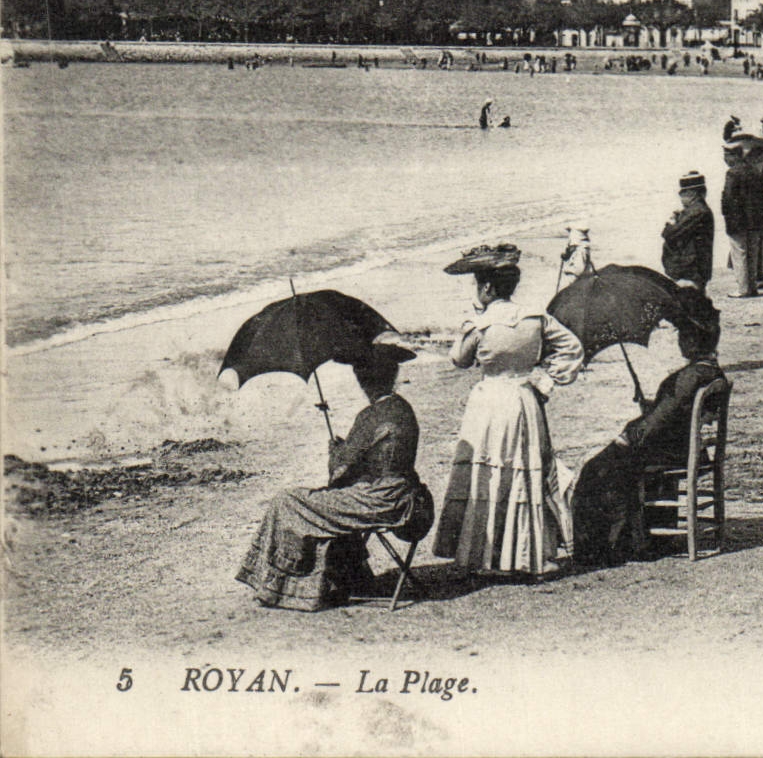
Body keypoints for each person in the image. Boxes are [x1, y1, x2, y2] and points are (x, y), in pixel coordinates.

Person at [236, 339, 428, 610]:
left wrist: (335, 452)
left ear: (363, 380)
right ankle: (343, 577)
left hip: (380, 500)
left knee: (287, 500)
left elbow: (340, 474)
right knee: (327, 500)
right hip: (407, 495)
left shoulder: (370, 416)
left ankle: (281, 589)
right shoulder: (401, 408)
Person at [433, 244, 585, 577]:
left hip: (488, 402)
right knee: (523, 471)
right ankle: (526, 554)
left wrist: (471, 321)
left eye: (478, 285)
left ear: (487, 287)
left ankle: (486, 554)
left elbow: (459, 359)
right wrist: (545, 378)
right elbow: (572, 347)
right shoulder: (535, 316)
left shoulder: (481, 323)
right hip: (523, 398)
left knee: (488, 473)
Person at [569, 306, 725, 567]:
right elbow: (672, 411)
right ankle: (638, 535)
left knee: (596, 470)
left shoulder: (691, 376)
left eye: (682, 336)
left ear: (691, 340)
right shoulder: (709, 371)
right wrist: (651, 403)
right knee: (609, 464)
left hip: (669, 451)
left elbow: (660, 420)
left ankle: (607, 546)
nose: (679, 342)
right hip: (681, 446)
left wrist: (629, 437)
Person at [721, 141, 763, 298]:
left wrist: (728, 219)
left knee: (740, 253)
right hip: (757, 221)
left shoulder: (732, 173)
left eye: (727, 156)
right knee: (752, 254)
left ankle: (743, 288)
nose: (725, 159)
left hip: (739, 222)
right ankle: (752, 287)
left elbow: (729, 199)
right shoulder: (755, 171)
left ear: (734, 156)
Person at [662, 171, 715, 293]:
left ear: (692, 193)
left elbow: (668, 234)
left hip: (691, 269)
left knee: (692, 300)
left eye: (682, 193)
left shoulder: (696, 212)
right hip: (692, 267)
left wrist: (671, 222)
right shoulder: (696, 210)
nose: (680, 197)